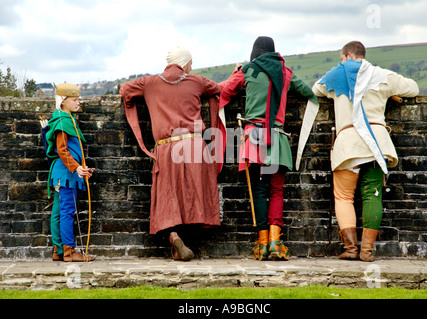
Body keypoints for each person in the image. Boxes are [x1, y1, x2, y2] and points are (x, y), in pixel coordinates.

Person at [120, 47, 235, 261]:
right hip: (194, 147)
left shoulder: (149, 82)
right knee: (193, 196)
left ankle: (174, 237)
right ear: (185, 63)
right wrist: (236, 74)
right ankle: (184, 239)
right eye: (190, 64)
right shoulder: (197, 81)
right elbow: (219, 89)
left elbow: (125, 90)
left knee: (167, 198)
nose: (191, 67)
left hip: (166, 147)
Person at [312, 41, 419, 262]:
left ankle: (350, 249)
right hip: (376, 144)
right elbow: (413, 88)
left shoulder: (335, 75)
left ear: (348, 55)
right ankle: (367, 252)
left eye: (342, 58)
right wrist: (388, 94)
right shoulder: (383, 75)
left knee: (343, 196)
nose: (341, 62)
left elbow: (316, 89)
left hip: (349, 144)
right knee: (373, 194)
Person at [219, 36, 319, 261]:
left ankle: (262, 245)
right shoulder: (286, 73)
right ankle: (275, 242)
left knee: (259, 191)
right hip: (278, 139)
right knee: (276, 190)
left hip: (253, 138)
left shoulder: (248, 70)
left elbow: (223, 94)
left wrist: (237, 73)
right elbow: (310, 94)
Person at [45, 83, 95, 262]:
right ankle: (69, 252)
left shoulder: (65, 118)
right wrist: (76, 167)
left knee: (59, 212)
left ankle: (58, 251)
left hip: (65, 172)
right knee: (67, 211)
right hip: (65, 173)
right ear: (63, 101)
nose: (78, 102)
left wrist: (81, 168)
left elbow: (71, 151)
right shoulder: (62, 120)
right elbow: (62, 149)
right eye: (74, 100)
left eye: (78, 99)